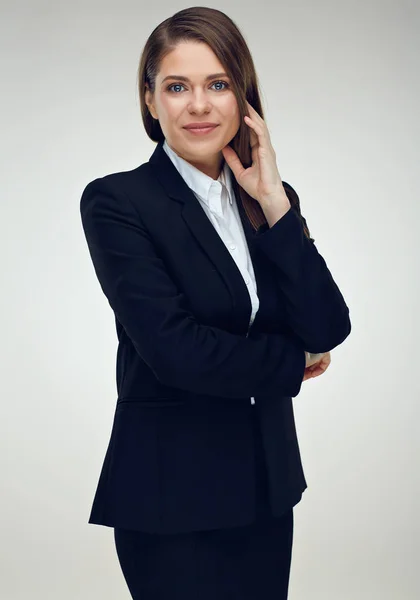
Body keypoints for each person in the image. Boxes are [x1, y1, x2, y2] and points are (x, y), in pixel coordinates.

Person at [79, 6, 351, 599]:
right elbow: (174, 351)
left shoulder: (270, 202)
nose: (198, 105)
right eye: (177, 86)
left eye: (218, 84)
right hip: (172, 497)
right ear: (151, 102)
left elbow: (328, 323)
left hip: (267, 487)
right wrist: (291, 361)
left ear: (244, 100)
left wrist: (276, 204)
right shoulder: (118, 202)